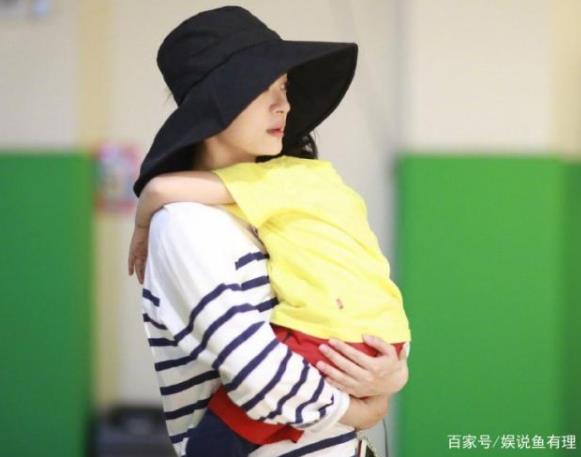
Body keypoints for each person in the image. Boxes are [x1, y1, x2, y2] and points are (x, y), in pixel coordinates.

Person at [128, 6, 409, 457]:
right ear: (216, 101)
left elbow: (358, 297)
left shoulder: (286, 201)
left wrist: (390, 374)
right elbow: (259, 375)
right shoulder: (184, 223)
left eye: (284, 87)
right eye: (263, 89)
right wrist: (362, 411)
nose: (284, 105)